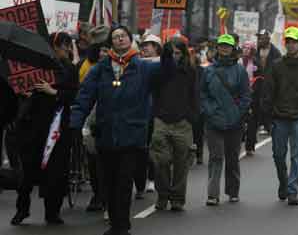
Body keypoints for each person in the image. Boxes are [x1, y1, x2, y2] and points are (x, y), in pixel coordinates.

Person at [70, 25, 175, 235]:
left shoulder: (143, 67)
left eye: (123, 36)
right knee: (107, 182)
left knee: (124, 182)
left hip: (132, 136)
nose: (119, 39)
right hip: (106, 135)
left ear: (130, 40)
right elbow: (85, 96)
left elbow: (166, 74)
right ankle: (115, 223)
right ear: (111, 43)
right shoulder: (101, 68)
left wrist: (168, 57)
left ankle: (121, 226)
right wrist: (75, 123)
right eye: (115, 37)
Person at [11, 32, 79, 225]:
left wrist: (55, 92)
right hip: (32, 124)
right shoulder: (34, 64)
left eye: (64, 46)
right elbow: (18, 85)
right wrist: (23, 92)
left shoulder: (69, 69)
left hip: (56, 126)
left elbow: (74, 95)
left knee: (56, 171)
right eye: (58, 46)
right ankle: (22, 209)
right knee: (26, 171)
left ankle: (52, 212)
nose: (62, 50)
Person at [263, 27, 298, 206]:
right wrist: (266, 116)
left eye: (294, 42)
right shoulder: (276, 66)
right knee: (278, 155)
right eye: (288, 42)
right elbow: (268, 91)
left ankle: (292, 190)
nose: (290, 45)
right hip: (279, 117)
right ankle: (284, 182)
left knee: (297, 157)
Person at [201, 34, 251, 206]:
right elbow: (202, 94)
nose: (224, 48)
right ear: (217, 48)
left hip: (234, 123)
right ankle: (212, 194)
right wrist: (209, 111)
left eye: (227, 46)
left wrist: (237, 113)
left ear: (233, 49)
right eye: (221, 46)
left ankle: (233, 191)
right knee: (215, 157)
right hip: (213, 122)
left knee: (232, 158)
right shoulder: (208, 71)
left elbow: (246, 96)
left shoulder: (240, 71)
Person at [150, 38, 199, 211]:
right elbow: (152, 93)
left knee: (181, 163)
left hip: (182, 122)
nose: (175, 57)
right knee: (160, 161)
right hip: (161, 120)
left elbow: (194, 95)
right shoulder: (159, 71)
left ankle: (177, 199)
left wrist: (191, 118)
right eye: (172, 53)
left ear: (184, 54)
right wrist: (155, 113)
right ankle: (163, 194)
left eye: (178, 53)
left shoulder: (190, 71)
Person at [78, 25, 110, 215]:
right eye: (100, 49)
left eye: (106, 49)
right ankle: (98, 193)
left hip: (111, 118)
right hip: (90, 118)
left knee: (107, 160)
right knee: (92, 158)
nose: (103, 53)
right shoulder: (85, 67)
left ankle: (106, 196)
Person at [134, 34, 163, 199]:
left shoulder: (162, 64)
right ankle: (140, 181)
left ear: (157, 48)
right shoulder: (136, 62)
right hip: (138, 110)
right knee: (140, 148)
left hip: (155, 110)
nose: (144, 48)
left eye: (149, 45)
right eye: (143, 45)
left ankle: (152, 177)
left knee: (153, 146)